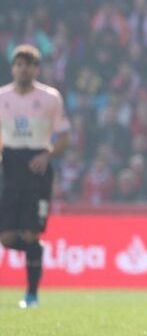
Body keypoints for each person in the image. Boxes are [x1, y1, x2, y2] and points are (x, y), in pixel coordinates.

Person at [0, 45, 70, 308]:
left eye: (28, 64)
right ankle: (36, 252)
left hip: (37, 168)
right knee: (6, 238)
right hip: (10, 166)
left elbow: (65, 135)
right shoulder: (2, 97)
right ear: (12, 68)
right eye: (18, 64)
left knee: (30, 233)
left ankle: (31, 295)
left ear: (36, 69)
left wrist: (47, 155)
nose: (22, 69)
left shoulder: (50, 98)